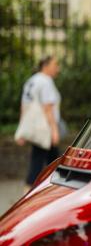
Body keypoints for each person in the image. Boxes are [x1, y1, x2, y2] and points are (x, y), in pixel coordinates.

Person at [16, 55, 63, 190]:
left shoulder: (31, 81)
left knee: (52, 160)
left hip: (35, 127)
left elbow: (24, 106)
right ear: (46, 66)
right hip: (44, 129)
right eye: (55, 65)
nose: (57, 69)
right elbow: (48, 108)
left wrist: (22, 130)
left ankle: (55, 188)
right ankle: (29, 193)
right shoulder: (46, 81)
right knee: (43, 162)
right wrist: (54, 130)